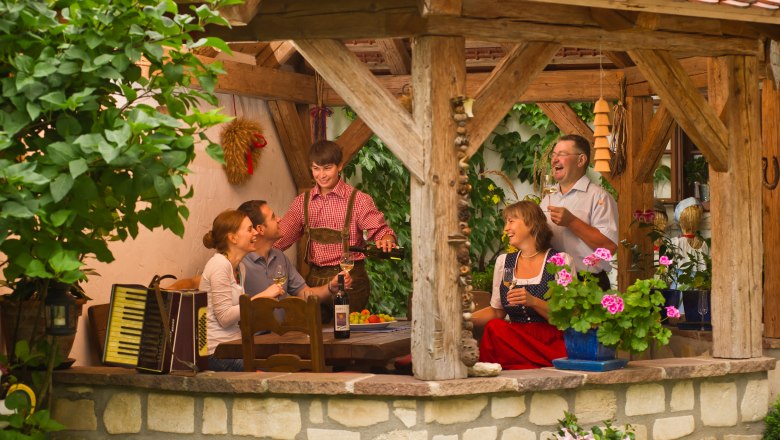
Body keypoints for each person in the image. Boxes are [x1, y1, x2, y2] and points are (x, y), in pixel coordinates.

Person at [274, 140, 397, 321]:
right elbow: (279, 240)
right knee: (313, 335)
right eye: (316, 169)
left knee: (344, 336)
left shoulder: (358, 200)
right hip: (314, 280)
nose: (321, 175)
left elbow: (380, 231)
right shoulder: (303, 202)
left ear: (339, 166)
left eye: (327, 168)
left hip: (350, 281)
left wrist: (386, 239)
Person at [471, 201, 571, 370]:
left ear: (531, 223)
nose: (505, 228)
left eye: (511, 221)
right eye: (506, 222)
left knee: (497, 330)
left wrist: (534, 301)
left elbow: (566, 317)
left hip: (548, 343)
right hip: (514, 340)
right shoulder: (505, 262)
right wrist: (464, 319)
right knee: (495, 327)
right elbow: (497, 311)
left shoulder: (559, 260)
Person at [200, 209, 283, 372]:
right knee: (271, 374)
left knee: (282, 364)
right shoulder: (219, 265)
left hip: (234, 348)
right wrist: (262, 296)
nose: (255, 233)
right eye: (249, 229)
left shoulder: (240, 268)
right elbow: (224, 317)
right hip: (216, 354)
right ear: (233, 238)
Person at [237, 200, 352, 308]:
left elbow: (304, 294)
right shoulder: (240, 263)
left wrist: (330, 287)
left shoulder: (280, 257)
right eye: (273, 217)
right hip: (253, 330)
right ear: (260, 229)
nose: (279, 219)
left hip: (284, 329)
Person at [540, 134, 618, 291]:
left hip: (588, 283)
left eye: (561, 154)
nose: (554, 160)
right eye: (553, 155)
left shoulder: (599, 197)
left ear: (581, 160)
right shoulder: (548, 197)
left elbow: (609, 247)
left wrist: (571, 222)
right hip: (553, 282)